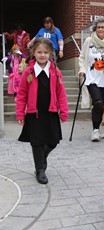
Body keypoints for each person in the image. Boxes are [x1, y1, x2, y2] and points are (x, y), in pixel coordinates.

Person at [16, 37, 68, 185]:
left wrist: (63, 111)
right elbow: (21, 95)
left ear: (51, 53)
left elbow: (61, 93)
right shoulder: (28, 72)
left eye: (46, 52)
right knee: (37, 142)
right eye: (39, 52)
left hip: (50, 112)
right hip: (35, 114)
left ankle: (41, 158)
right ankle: (40, 169)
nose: (42, 55)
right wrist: (20, 113)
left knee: (53, 142)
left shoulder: (56, 72)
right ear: (34, 52)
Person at [78, 16, 104, 142]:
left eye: (103, 27)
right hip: (91, 77)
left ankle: (97, 128)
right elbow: (82, 58)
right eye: (98, 27)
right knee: (97, 102)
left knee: (102, 105)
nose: (101, 29)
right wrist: (82, 70)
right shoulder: (89, 41)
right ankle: (95, 131)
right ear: (95, 28)